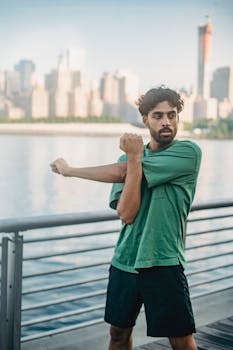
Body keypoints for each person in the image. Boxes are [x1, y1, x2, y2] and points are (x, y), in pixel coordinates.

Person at [50, 86, 202, 350]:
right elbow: (127, 213)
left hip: (164, 260)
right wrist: (134, 159)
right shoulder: (128, 157)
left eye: (172, 114)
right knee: (118, 334)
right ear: (145, 120)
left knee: (182, 340)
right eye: (158, 115)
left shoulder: (188, 153)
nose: (166, 121)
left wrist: (69, 170)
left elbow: (122, 170)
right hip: (125, 261)